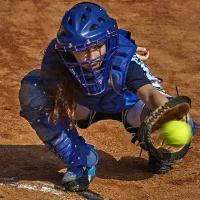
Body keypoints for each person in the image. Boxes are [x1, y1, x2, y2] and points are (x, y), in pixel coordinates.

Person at [19, 2, 198, 192]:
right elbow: (49, 98)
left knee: (170, 111)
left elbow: (150, 93)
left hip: (128, 105)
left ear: (108, 41)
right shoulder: (57, 61)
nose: (90, 56)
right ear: (67, 49)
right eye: (81, 49)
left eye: (96, 46)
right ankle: (80, 160)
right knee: (32, 90)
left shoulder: (123, 58)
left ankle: (156, 149)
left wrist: (168, 114)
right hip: (82, 106)